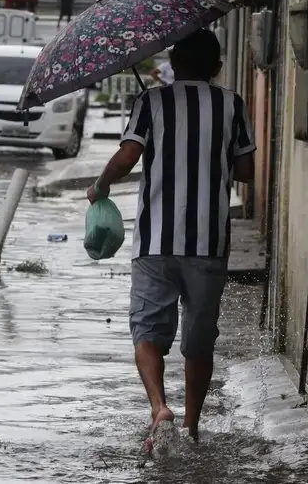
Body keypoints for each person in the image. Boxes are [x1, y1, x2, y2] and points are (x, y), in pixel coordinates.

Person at [86, 28, 255, 448]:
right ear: (217, 68)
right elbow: (248, 171)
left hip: (154, 242)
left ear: (173, 65)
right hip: (208, 243)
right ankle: (193, 427)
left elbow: (128, 156)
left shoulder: (151, 102)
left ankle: (159, 407)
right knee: (199, 341)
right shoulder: (232, 104)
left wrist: (100, 185)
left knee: (147, 332)